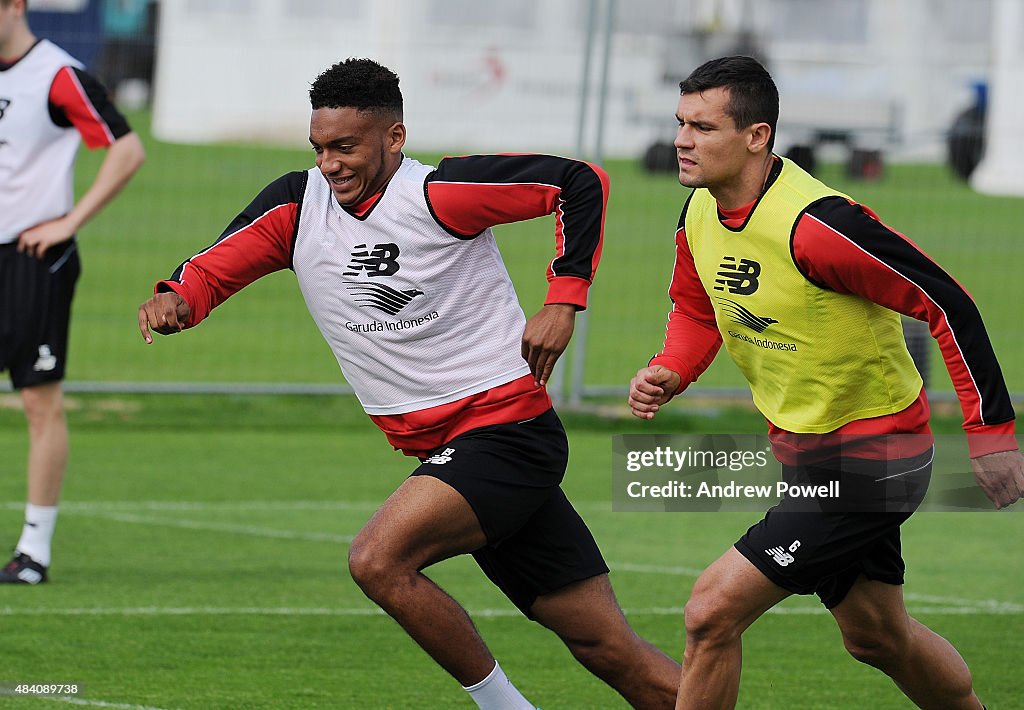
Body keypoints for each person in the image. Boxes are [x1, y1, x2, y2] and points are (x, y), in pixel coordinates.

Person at [137, 58, 679, 709]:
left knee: (377, 561)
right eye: (319, 148)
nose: (330, 163)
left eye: (346, 146)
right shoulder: (298, 204)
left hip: (506, 435)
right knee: (608, 651)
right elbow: (216, 266)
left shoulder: (439, 194)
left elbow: (577, 181)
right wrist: (177, 298)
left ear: (394, 138)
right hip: (457, 453)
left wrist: (563, 299)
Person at [628, 55, 1024, 709]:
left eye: (702, 126)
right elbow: (699, 309)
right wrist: (672, 369)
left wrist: (990, 435)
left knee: (711, 610)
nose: (681, 139)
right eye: (680, 123)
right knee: (876, 637)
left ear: (756, 136)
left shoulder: (820, 225)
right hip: (804, 452)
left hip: (876, 455)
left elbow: (947, 303)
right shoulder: (697, 214)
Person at [0, 0, 145, 585]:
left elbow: (126, 150)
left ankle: (33, 552)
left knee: (39, 400)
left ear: (14, 6)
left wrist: (69, 221)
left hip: (33, 257)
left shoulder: (56, 75)